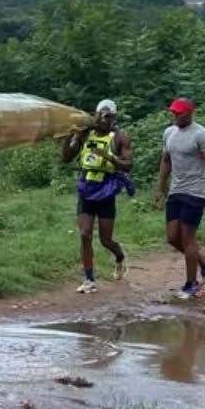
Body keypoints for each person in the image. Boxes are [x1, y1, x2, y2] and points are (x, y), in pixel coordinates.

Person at [61, 97, 133, 293]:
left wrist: (110, 157)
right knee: (85, 234)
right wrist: (69, 136)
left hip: (106, 189)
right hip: (86, 187)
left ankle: (119, 256)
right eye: (102, 115)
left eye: (109, 116)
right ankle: (89, 279)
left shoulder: (120, 137)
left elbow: (128, 165)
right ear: (96, 115)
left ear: (114, 118)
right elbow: (66, 158)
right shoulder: (86, 134)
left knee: (105, 240)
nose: (105, 120)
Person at [154, 98, 205, 300]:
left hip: (196, 192)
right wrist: (159, 189)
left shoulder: (201, 134)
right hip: (176, 190)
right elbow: (166, 161)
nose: (174, 116)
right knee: (172, 237)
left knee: (188, 239)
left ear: (190, 113)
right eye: (173, 112)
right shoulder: (169, 132)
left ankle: (191, 284)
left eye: (179, 113)